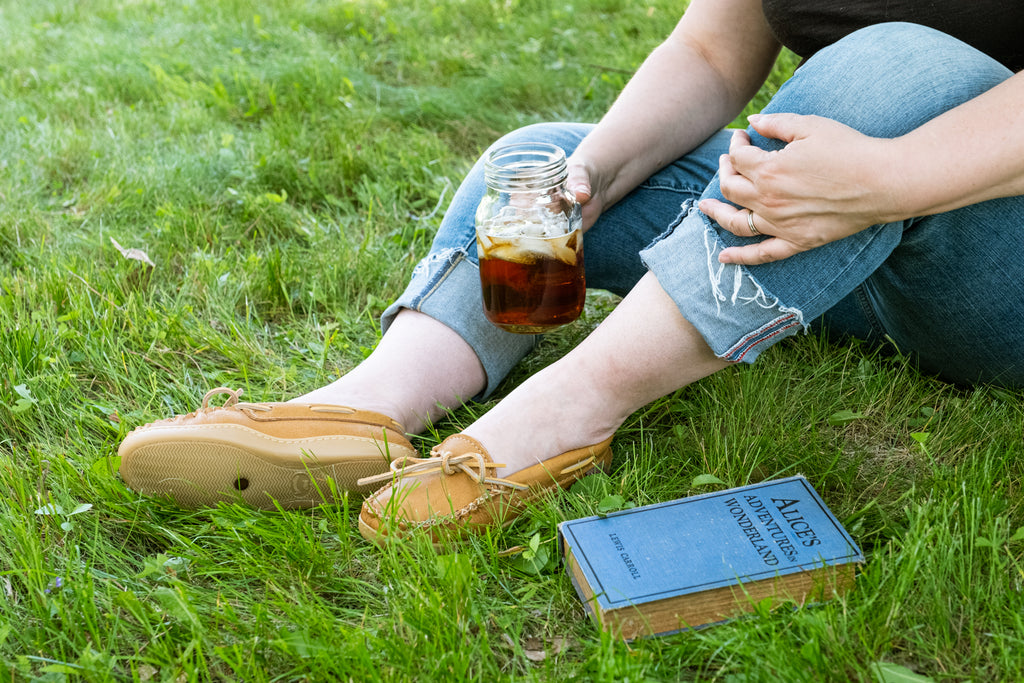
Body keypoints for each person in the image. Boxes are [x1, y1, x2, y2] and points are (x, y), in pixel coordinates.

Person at [118, 0, 1024, 544]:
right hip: (819, 241)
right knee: (541, 157)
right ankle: (369, 406)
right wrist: (599, 172)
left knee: (889, 66)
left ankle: (568, 408)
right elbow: (711, 53)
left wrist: (888, 180)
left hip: (993, 257)